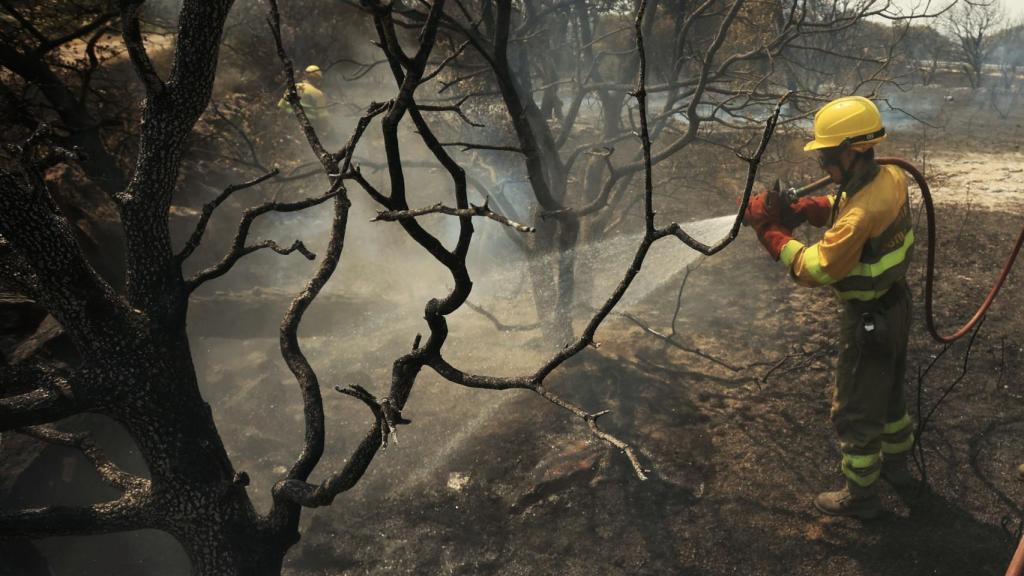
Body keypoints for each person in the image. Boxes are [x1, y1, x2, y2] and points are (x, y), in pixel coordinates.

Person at [745, 96, 916, 519]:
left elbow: (813, 268)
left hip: (869, 320)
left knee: (856, 407)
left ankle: (861, 498)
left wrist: (771, 232)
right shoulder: (890, 176)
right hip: (897, 307)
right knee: (890, 396)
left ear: (853, 152)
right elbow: (845, 207)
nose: (823, 167)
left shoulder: (859, 216)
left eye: (826, 157)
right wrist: (804, 209)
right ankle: (898, 469)